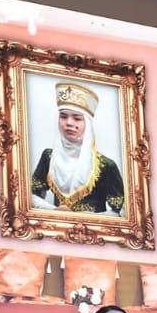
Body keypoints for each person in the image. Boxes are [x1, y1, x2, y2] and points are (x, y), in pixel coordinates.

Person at [30, 81, 125, 215]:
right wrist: (54, 210)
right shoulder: (49, 157)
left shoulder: (106, 166)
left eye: (77, 118)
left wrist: (83, 218)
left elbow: (119, 211)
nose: (69, 123)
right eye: (63, 116)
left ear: (88, 124)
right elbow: (31, 195)